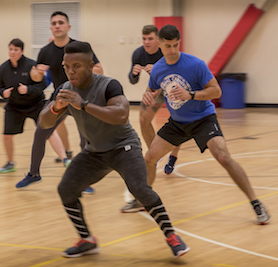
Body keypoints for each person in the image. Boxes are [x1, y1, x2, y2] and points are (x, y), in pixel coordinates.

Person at [38, 40, 189, 258]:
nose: (71, 71)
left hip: (123, 147)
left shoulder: (109, 85)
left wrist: (84, 105)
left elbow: (121, 116)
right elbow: (44, 123)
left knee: (140, 189)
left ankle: (172, 236)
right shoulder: (64, 89)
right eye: (66, 67)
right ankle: (86, 239)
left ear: (90, 66)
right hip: (95, 152)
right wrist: (55, 108)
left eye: (77, 66)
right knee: (66, 189)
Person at [141, 25, 270, 225]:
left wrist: (191, 94)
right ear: (159, 44)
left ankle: (256, 203)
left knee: (223, 156)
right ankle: (145, 200)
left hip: (203, 119)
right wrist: (148, 95)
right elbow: (153, 90)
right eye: (168, 46)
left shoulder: (195, 64)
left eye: (176, 45)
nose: (173, 50)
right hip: (177, 122)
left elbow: (216, 92)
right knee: (149, 157)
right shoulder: (157, 69)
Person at [14, 11, 103, 193]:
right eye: (54, 23)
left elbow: (100, 69)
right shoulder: (46, 51)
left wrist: (87, 71)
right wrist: (37, 72)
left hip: (80, 98)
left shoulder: (79, 48)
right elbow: (36, 76)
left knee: (84, 140)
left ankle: (83, 180)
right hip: (59, 98)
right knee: (41, 131)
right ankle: (33, 173)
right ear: (51, 27)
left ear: (68, 27)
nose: (57, 25)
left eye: (61, 22)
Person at [121, 25, 181, 213]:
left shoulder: (168, 53)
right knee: (143, 119)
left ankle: (173, 156)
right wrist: (134, 73)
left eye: (149, 39)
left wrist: (159, 68)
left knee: (179, 123)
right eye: (144, 38)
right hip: (154, 91)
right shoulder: (138, 54)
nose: (146, 42)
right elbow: (131, 80)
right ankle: (154, 155)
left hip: (173, 89)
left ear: (158, 41)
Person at [0, 38, 47, 173]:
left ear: (22, 51)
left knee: (48, 131)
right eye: (10, 49)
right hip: (14, 106)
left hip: (35, 104)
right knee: (6, 135)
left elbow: (42, 84)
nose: (12, 52)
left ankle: (64, 158)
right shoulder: (3, 67)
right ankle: (10, 163)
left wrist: (28, 89)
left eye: (16, 50)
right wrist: (3, 93)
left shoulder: (31, 65)